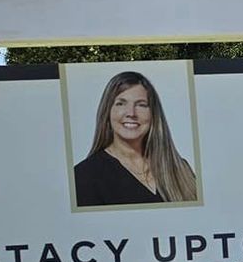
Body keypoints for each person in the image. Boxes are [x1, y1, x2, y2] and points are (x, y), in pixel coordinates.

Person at [72, 71, 200, 208]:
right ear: (107, 112)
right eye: (121, 104)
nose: (131, 113)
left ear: (153, 115)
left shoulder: (180, 169)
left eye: (141, 105)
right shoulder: (84, 176)